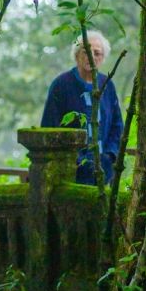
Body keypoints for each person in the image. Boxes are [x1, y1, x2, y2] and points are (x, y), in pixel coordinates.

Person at [40, 30, 124, 185]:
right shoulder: (61, 85)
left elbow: (117, 126)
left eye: (97, 53)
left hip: (104, 170)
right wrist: (76, 160)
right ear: (77, 55)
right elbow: (50, 125)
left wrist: (109, 155)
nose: (92, 56)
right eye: (86, 51)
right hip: (70, 170)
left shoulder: (107, 85)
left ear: (102, 58)